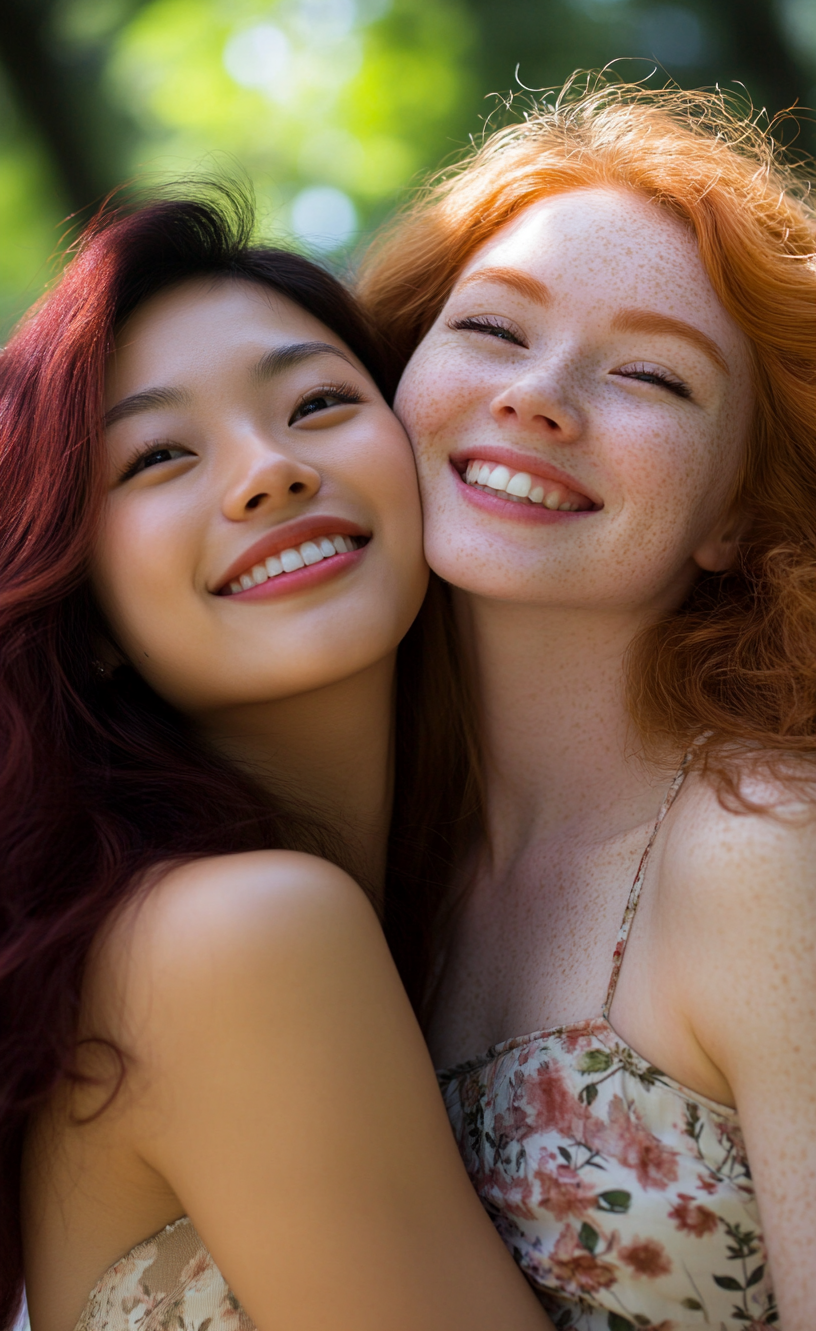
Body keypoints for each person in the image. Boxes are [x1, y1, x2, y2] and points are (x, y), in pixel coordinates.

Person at [2, 189, 552, 1331]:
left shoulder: (434, 914)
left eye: (315, 402)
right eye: (156, 456)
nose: (268, 471)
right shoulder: (239, 930)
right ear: (85, 609)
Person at [359, 79, 816, 1330]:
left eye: (655, 379)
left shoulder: (766, 846)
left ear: (734, 514)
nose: (539, 394)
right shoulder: (362, 852)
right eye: (495, 331)